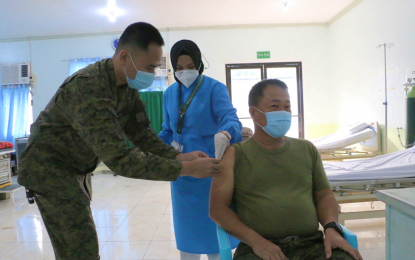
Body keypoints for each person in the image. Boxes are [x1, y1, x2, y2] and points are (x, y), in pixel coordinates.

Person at [17, 22, 222, 260]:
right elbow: (121, 159)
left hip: (77, 166)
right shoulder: (89, 88)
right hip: (50, 170)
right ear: (125, 57)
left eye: (155, 67)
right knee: (79, 247)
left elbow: (141, 133)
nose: (153, 73)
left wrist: (177, 155)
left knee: (80, 239)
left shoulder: (124, 85)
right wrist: (185, 168)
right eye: (149, 66)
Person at [209, 79, 363, 260]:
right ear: (253, 113)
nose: (283, 112)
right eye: (274, 106)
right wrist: (256, 241)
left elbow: (324, 195)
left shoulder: (306, 149)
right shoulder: (235, 155)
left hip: (311, 244)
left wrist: (331, 228)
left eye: (287, 107)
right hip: (259, 246)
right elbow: (218, 208)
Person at [158, 40, 242, 260]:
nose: (184, 71)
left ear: (199, 64)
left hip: (211, 169)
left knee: (215, 233)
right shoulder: (168, 94)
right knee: (187, 233)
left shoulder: (214, 88)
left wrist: (226, 132)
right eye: (179, 67)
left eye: (190, 65)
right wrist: (152, 148)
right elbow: (167, 130)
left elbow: (230, 118)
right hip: (183, 172)